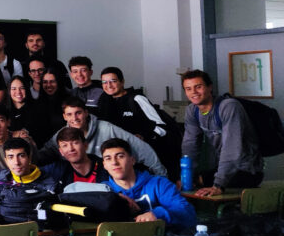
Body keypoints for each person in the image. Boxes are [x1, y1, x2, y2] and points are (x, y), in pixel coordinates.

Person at [180, 70, 263, 196]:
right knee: (192, 182)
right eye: (188, 89)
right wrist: (186, 176)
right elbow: (190, 145)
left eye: (198, 87)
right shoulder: (192, 111)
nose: (194, 92)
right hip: (224, 169)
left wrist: (218, 185)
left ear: (209, 87)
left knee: (202, 181)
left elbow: (231, 148)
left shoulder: (229, 107)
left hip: (247, 170)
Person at [39, 97, 167, 176]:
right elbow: (42, 156)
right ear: (64, 117)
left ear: (86, 113)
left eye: (78, 113)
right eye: (70, 114)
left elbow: (142, 149)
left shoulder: (106, 129)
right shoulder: (61, 136)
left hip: (109, 181)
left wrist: (162, 178)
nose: (74, 118)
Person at [98, 67, 180, 180]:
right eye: (105, 82)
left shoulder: (136, 99)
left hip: (148, 157)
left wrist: (143, 136)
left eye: (113, 81)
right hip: (123, 159)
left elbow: (161, 127)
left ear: (122, 82)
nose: (109, 85)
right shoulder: (104, 101)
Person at [101, 138, 196, 230]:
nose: (114, 162)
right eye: (108, 158)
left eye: (120, 156)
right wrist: (114, 198)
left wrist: (157, 214)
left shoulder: (159, 184)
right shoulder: (102, 190)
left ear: (132, 160)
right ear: (104, 165)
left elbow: (188, 214)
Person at [42, 127, 110, 185]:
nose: (71, 149)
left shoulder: (106, 166)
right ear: (61, 152)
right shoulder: (58, 169)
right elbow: (33, 172)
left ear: (85, 145)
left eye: (75, 143)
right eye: (65, 145)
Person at [5, 75, 46, 146]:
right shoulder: (5, 111)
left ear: (27, 89)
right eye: (14, 89)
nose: (18, 92)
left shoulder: (38, 108)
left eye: (22, 88)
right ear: (9, 91)